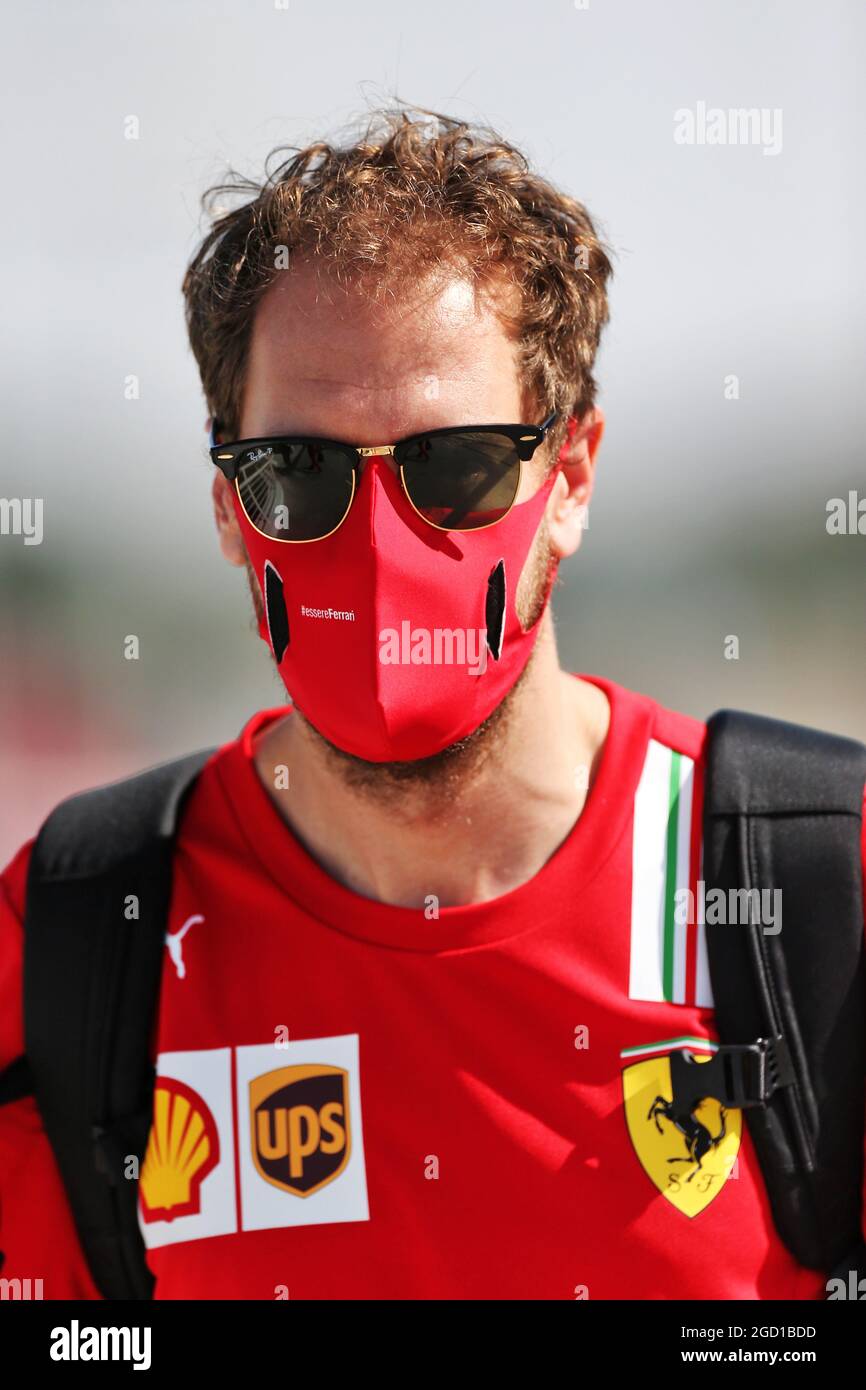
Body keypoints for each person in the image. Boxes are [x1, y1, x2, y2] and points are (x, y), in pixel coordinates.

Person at [1, 107, 863, 1301]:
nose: (376, 544)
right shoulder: (74, 936)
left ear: (567, 474)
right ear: (223, 501)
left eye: (452, 464)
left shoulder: (826, 890)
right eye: (296, 471)